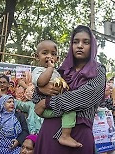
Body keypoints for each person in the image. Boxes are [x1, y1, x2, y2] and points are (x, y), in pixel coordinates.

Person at [33, 25, 106, 153]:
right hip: (50, 131)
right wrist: (40, 91)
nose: (80, 45)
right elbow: (36, 98)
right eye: (75, 42)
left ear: (92, 46)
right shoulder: (61, 71)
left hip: (79, 134)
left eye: (86, 42)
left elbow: (86, 97)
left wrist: (48, 102)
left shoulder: (98, 70)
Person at [32, 40, 80, 147]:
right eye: (45, 53)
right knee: (69, 110)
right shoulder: (38, 70)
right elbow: (41, 82)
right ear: (36, 56)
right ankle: (65, 136)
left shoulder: (57, 72)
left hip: (53, 105)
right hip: (45, 108)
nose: (49, 56)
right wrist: (50, 68)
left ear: (57, 59)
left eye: (53, 54)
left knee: (69, 107)